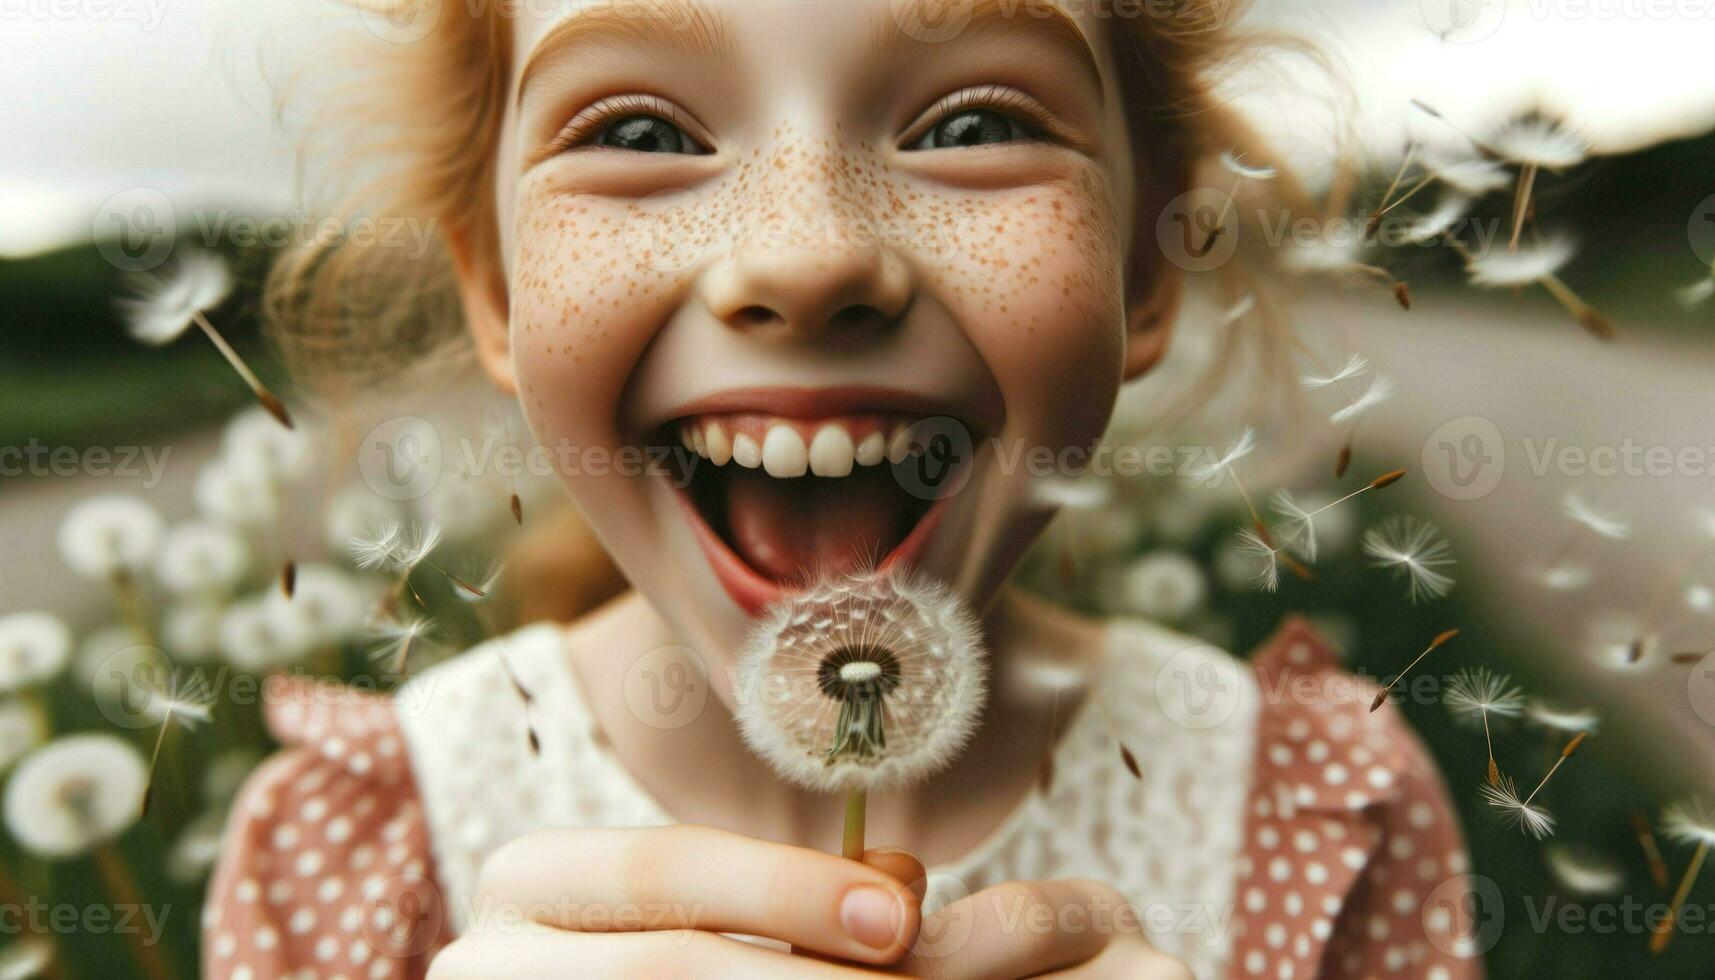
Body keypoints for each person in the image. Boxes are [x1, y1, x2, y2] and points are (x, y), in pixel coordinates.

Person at [206, 0, 1478, 976]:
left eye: (974, 125)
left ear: (1143, 274)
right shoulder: (346, 861)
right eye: (639, 133)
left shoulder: (1319, 812)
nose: (804, 253)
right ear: (494, 288)